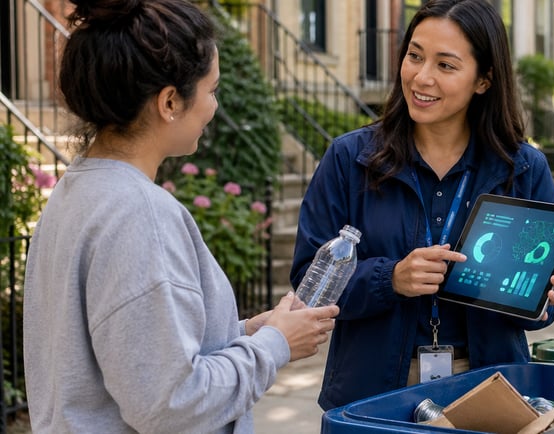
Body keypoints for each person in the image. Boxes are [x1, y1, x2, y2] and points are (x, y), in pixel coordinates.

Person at [22, 1, 340, 432]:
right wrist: (275, 344)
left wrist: (245, 332)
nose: (213, 107)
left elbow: (132, 353)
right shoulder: (140, 214)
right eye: (211, 90)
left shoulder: (76, 191)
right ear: (170, 101)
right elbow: (170, 404)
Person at [291, 0, 554, 409]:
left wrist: (544, 298)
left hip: (488, 390)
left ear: (484, 80)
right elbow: (307, 283)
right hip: (373, 391)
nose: (421, 78)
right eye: (414, 56)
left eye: (446, 65)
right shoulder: (349, 159)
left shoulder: (524, 168)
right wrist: (391, 278)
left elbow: (538, 309)